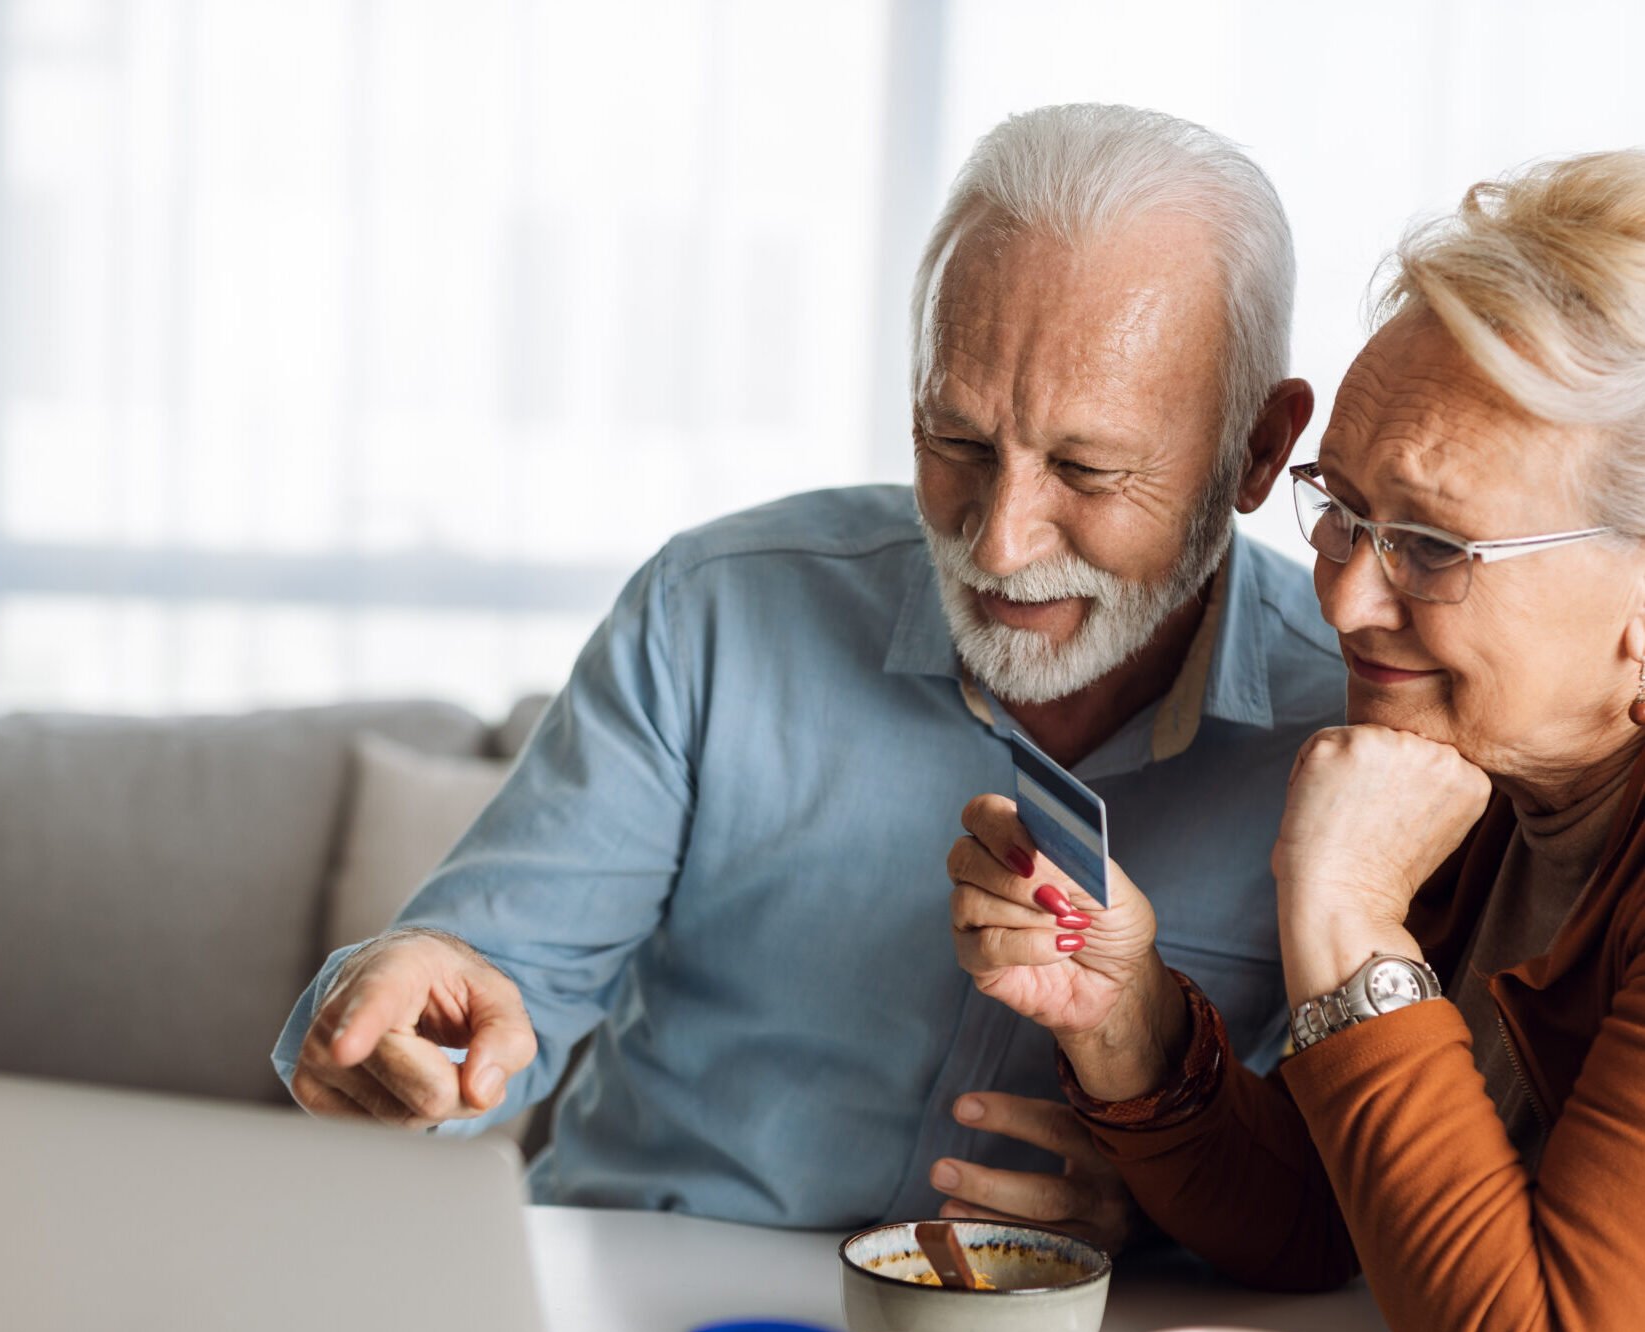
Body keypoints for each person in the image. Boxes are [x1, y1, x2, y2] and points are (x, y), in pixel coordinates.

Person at [275, 103, 1345, 1234]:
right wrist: (408, 1025)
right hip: (642, 1313)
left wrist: (1180, 1218)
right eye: (958, 443)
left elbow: (1343, 1202)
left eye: (1086, 467)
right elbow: (491, 978)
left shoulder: (1348, 732)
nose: (997, 543)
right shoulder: (718, 609)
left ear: (1260, 450)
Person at [948, 150, 1645, 1332]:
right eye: (1342, 512)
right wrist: (1124, 1012)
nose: (1338, 603)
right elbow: (1331, 1219)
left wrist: (1344, 920)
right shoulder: (1472, 777)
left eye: (1432, 547)